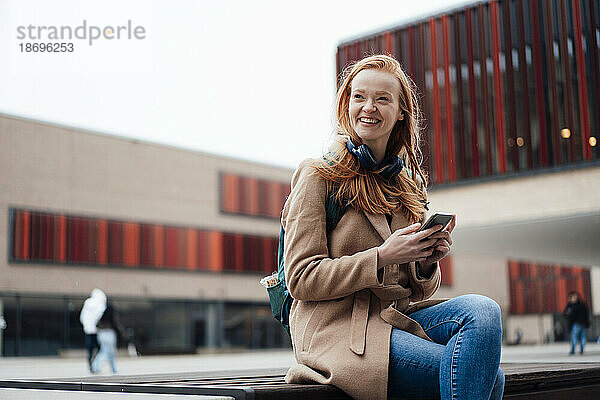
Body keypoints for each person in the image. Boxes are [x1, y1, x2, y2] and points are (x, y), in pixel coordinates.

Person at [281, 55, 504, 400]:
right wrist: (382, 256)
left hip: (394, 319)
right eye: (359, 96)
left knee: (483, 311)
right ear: (347, 104)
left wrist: (427, 260)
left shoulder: (406, 185)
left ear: (401, 111)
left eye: (382, 98)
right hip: (339, 330)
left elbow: (417, 290)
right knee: (489, 378)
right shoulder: (317, 176)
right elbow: (301, 278)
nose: (368, 107)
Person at [91, 301, 125, 374]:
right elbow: (116, 326)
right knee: (106, 352)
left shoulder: (102, 317)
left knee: (109, 352)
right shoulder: (112, 317)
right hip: (109, 335)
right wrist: (121, 333)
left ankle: (114, 368)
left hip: (101, 335)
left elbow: (96, 325)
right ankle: (95, 366)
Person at [80, 288, 106, 371]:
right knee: (99, 348)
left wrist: (86, 325)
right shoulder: (100, 303)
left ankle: (91, 363)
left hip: (88, 330)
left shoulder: (87, 303)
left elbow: (82, 317)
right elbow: (100, 317)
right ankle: (95, 364)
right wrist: (97, 326)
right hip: (97, 330)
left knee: (90, 348)